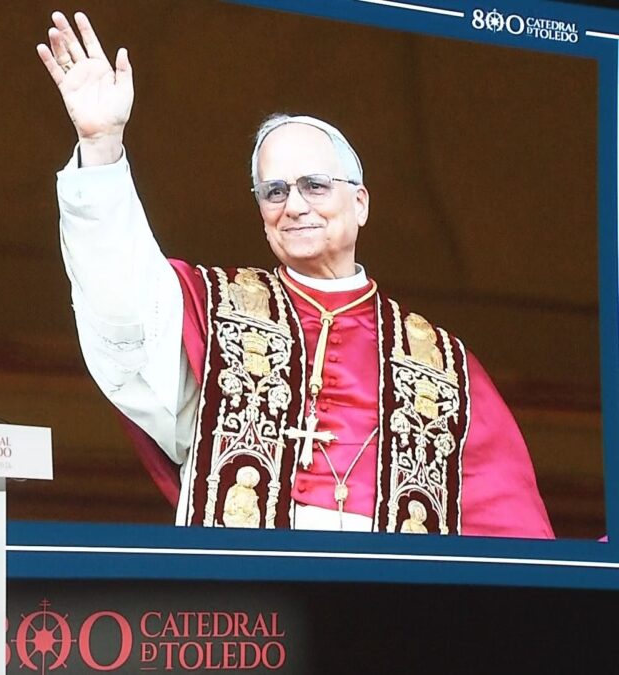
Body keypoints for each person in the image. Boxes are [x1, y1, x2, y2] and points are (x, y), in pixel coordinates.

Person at [36, 11, 552, 537]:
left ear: (361, 202)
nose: (295, 205)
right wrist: (101, 148)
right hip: (247, 608)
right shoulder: (212, 310)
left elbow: (515, 536)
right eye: (275, 191)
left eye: (315, 185)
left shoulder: (446, 367)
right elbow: (119, 302)